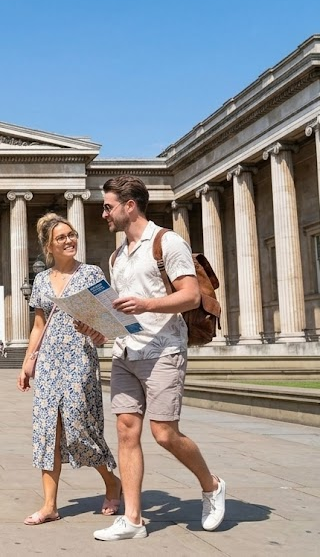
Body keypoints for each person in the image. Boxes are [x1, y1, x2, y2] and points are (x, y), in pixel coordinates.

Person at [80, 176, 225, 541]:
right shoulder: (117, 256)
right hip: (126, 350)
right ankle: (132, 519)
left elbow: (191, 296)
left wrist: (148, 304)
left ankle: (211, 484)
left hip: (164, 349)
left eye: (108, 206)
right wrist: (102, 330)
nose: (103, 214)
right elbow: (124, 315)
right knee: (126, 431)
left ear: (130, 206)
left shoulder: (167, 242)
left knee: (164, 433)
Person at [17, 213, 121, 527]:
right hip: (49, 360)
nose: (70, 241)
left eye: (72, 234)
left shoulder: (91, 274)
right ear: (49, 246)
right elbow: (38, 325)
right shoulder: (40, 279)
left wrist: (96, 330)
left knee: (80, 424)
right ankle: (49, 505)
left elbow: (109, 320)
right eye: (62, 237)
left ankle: (111, 481)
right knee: (48, 430)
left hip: (80, 356)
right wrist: (27, 362)